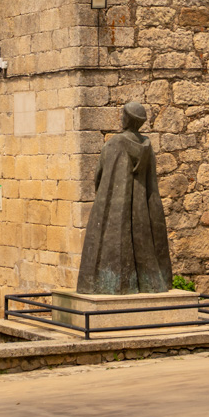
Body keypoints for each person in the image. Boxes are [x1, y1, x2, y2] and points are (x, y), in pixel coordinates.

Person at [76, 101, 173, 295]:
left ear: (127, 119)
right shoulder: (147, 146)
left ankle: (116, 285)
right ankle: (149, 284)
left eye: (123, 115)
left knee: (112, 246)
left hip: (114, 209)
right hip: (141, 208)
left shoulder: (115, 143)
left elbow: (99, 176)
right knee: (142, 241)